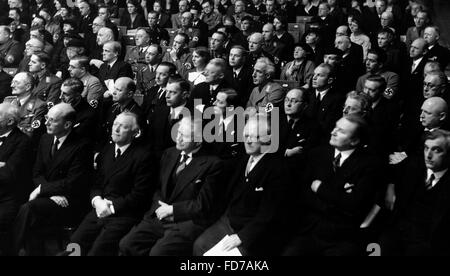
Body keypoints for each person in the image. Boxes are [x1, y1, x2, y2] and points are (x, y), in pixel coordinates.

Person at [119, 117, 223, 256]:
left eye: (184, 136)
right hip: (160, 215)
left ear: (198, 140)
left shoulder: (213, 164)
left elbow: (202, 205)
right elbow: (157, 189)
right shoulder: (169, 153)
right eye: (178, 133)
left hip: (186, 222)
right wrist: (160, 208)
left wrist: (173, 210)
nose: (178, 139)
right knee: (127, 244)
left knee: (158, 253)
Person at [283, 114, 383, 256]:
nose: (333, 132)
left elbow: (355, 205)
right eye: (335, 127)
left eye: (341, 131)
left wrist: (320, 188)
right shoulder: (316, 154)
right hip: (309, 230)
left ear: (354, 141)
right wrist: (339, 196)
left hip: (342, 236)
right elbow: (302, 194)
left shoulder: (370, 165)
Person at [193, 114, 288, 256]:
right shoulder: (244, 159)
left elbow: (268, 215)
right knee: (199, 246)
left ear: (268, 138)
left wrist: (242, 237)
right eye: (246, 135)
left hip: (253, 232)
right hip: (229, 221)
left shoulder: (278, 169)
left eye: (254, 136)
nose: (247, 141)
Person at [69, 112, 156, 256]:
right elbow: (96, 183)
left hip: (124, 214)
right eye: (115, 124)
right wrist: (97, 201)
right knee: (75, 244)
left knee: (98, 250)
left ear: (135, 133)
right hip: (100, 207)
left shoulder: (144, 156)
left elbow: (140, 195)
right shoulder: (107, 150)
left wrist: (112, 207)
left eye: (123, 127)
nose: (116, 130)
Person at [12, 103, 93, 255]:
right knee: (31, 217)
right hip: (52, 196)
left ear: (67, 124)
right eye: (46, 118)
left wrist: (42, 189)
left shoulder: (82, 145)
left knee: (29, 209)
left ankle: (12, 250)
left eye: (52, 120)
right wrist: (48, 192)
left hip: (69, 200)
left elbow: (74, 182)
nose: (46, 123)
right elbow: (37, 173)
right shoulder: (45, 138)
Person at [380, 129, 450, 255]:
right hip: (398, 232)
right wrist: (390, 189)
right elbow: (390, 172)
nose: (428, 155)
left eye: (437, 150)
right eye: (426, 148)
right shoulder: (414, 166)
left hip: (429, 244)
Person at [0, 102, 33, 255]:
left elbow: (9, 174)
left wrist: (4, 167)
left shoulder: (23, 142)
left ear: (10, 121)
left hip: (9, 197)